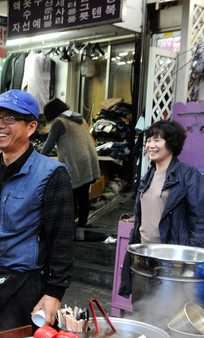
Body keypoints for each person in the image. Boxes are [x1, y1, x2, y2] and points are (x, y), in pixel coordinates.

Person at [0, 90, 74, 338]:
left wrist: (54, 293)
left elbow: (62, 239)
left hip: (24, 287)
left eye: (9, 119)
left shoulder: (52, 174)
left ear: (31, 127)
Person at [119, 120, 204, 297]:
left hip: (172, 262)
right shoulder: (147, 177)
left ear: (171, 143)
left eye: (157, 140)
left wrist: (188, 262)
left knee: (168, 314)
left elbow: (199, 222)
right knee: (143, 311)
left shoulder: (188, 175)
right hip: (144, 259)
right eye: (149, 140)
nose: (151, 145)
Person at [41, 98, 101, 240]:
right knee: (83, 197)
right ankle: (80, 230)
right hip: (88, 162)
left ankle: (68, 232)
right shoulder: (79, 118)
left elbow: (48, 146)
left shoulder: (59, 122)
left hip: (74, 164)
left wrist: (36, 159)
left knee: (70, 199)